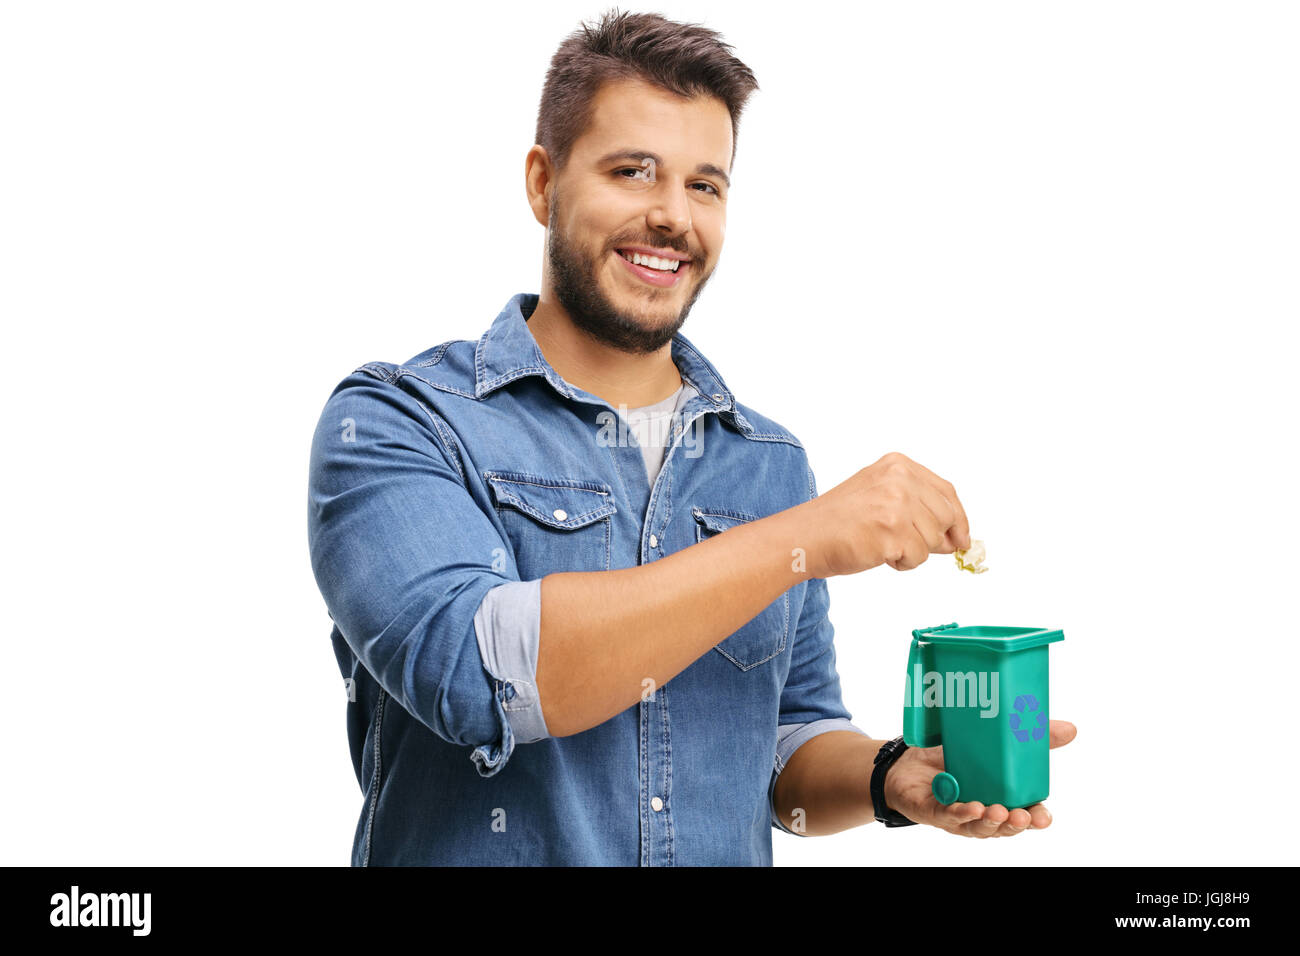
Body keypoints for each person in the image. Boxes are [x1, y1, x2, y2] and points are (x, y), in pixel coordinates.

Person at [307, 8, 1076, 866]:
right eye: (633, 171)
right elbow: (475, 677)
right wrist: (801, 539)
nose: (673, 217)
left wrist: (888, 778)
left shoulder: (768, 464)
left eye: (704, 185)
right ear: (542, 182)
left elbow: (788, 742)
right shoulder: (398, 421)